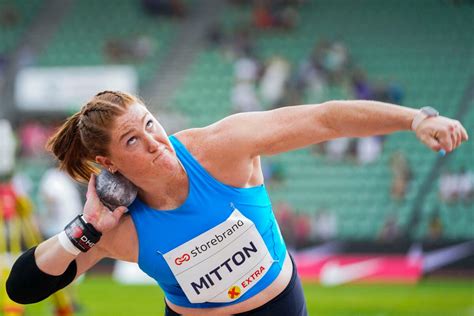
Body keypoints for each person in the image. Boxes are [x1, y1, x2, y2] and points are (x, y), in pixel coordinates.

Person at [5, 91, 469, 315]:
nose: (155, 141)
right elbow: (22, 289)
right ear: (107, 161)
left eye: (150, 122)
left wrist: (416, 119)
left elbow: (325, 120)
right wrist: (83, 230)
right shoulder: (117, 227)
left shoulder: (222, 149)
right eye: (133, 139)